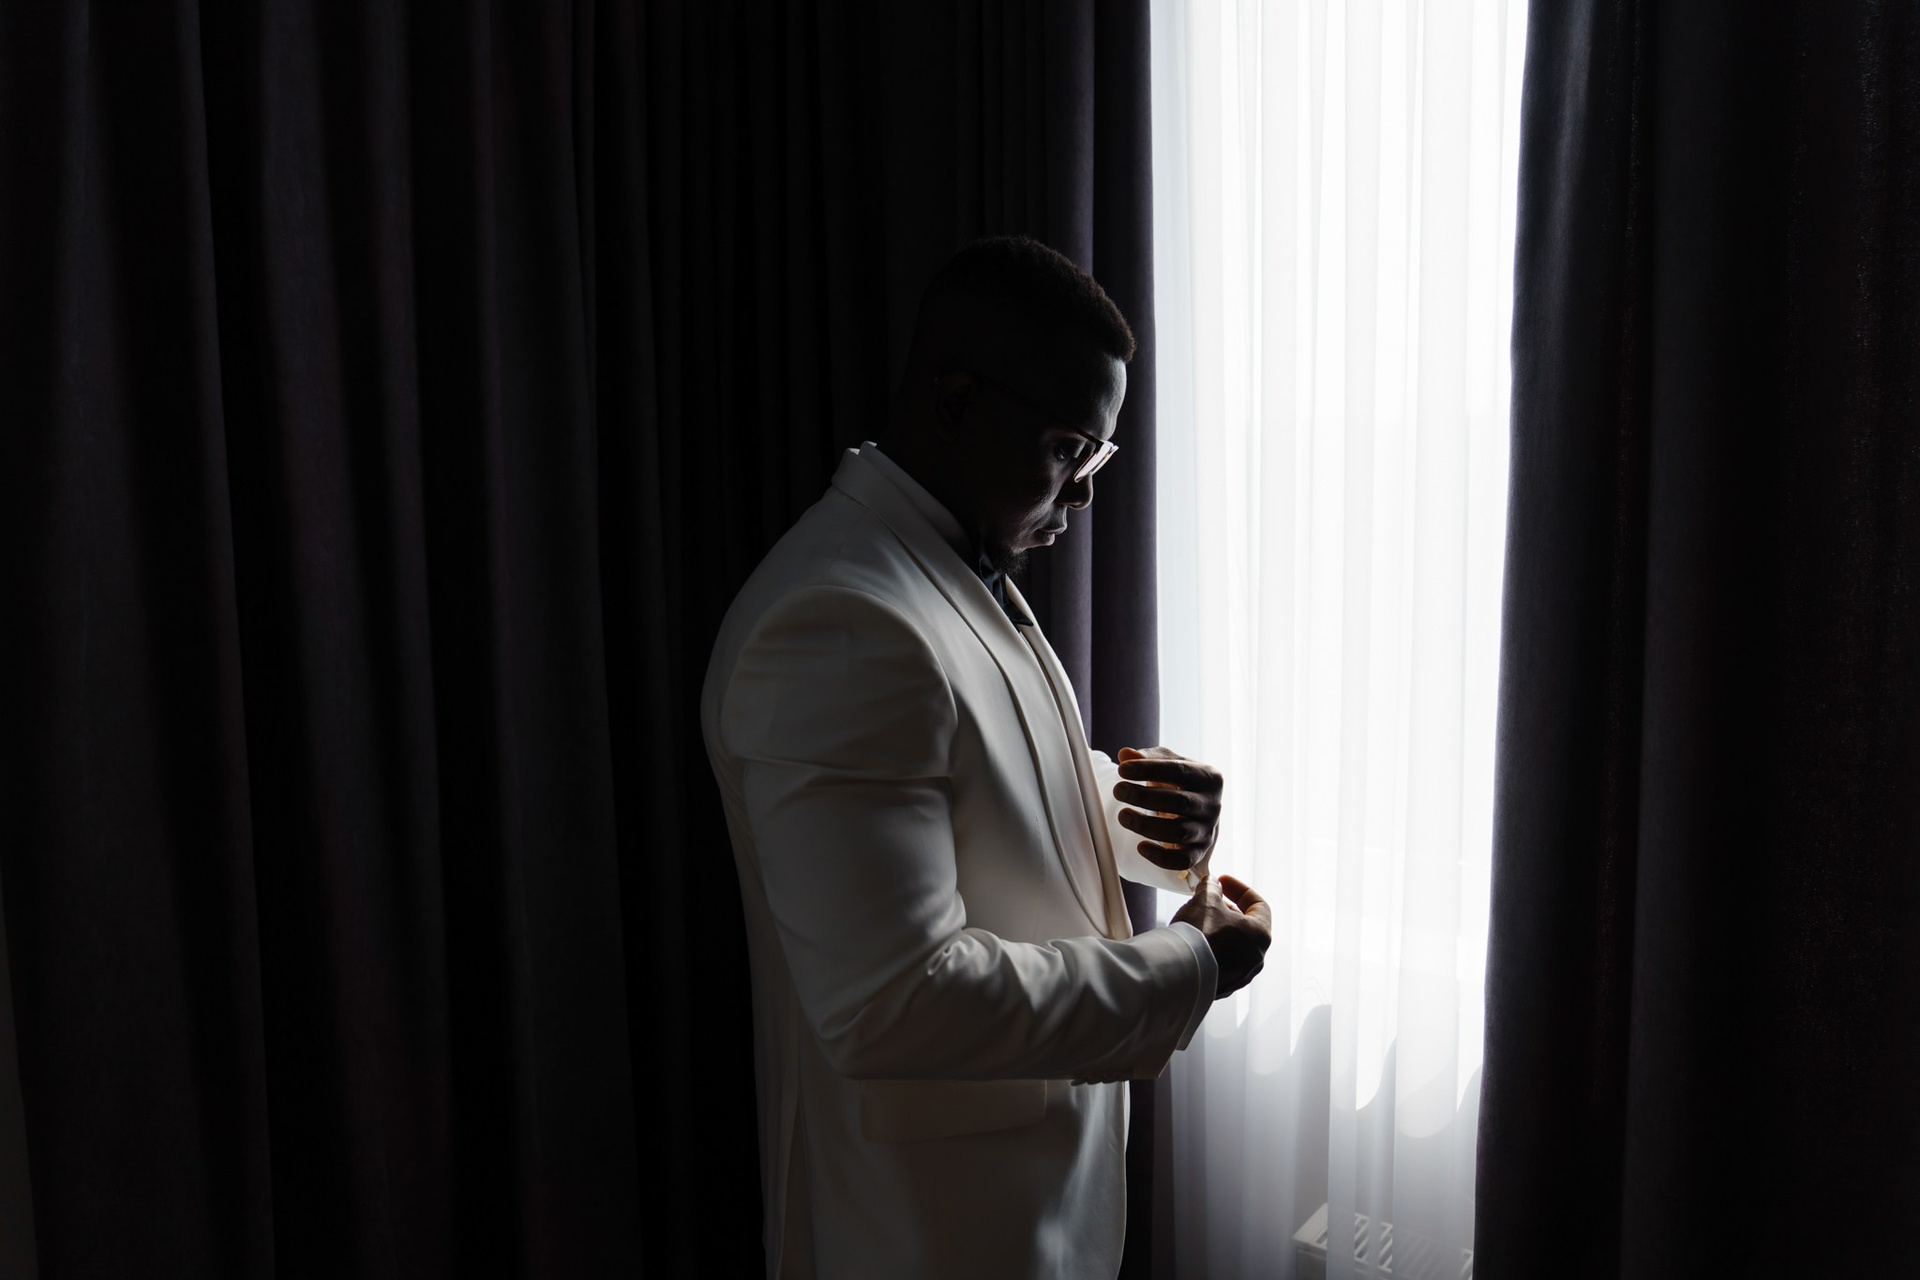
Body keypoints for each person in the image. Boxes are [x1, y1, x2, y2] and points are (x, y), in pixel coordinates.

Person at [700, 236, 1273, 1279]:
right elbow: (895, 1002)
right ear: (957, 404)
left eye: (1098, 456)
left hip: (1013, 1213)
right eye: (1068, 448)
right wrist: (1189, 966)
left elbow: (967, 777)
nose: (1085, 493)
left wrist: (1140, 821)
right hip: (928, 1234)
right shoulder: (836, 621)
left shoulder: (937, 568)